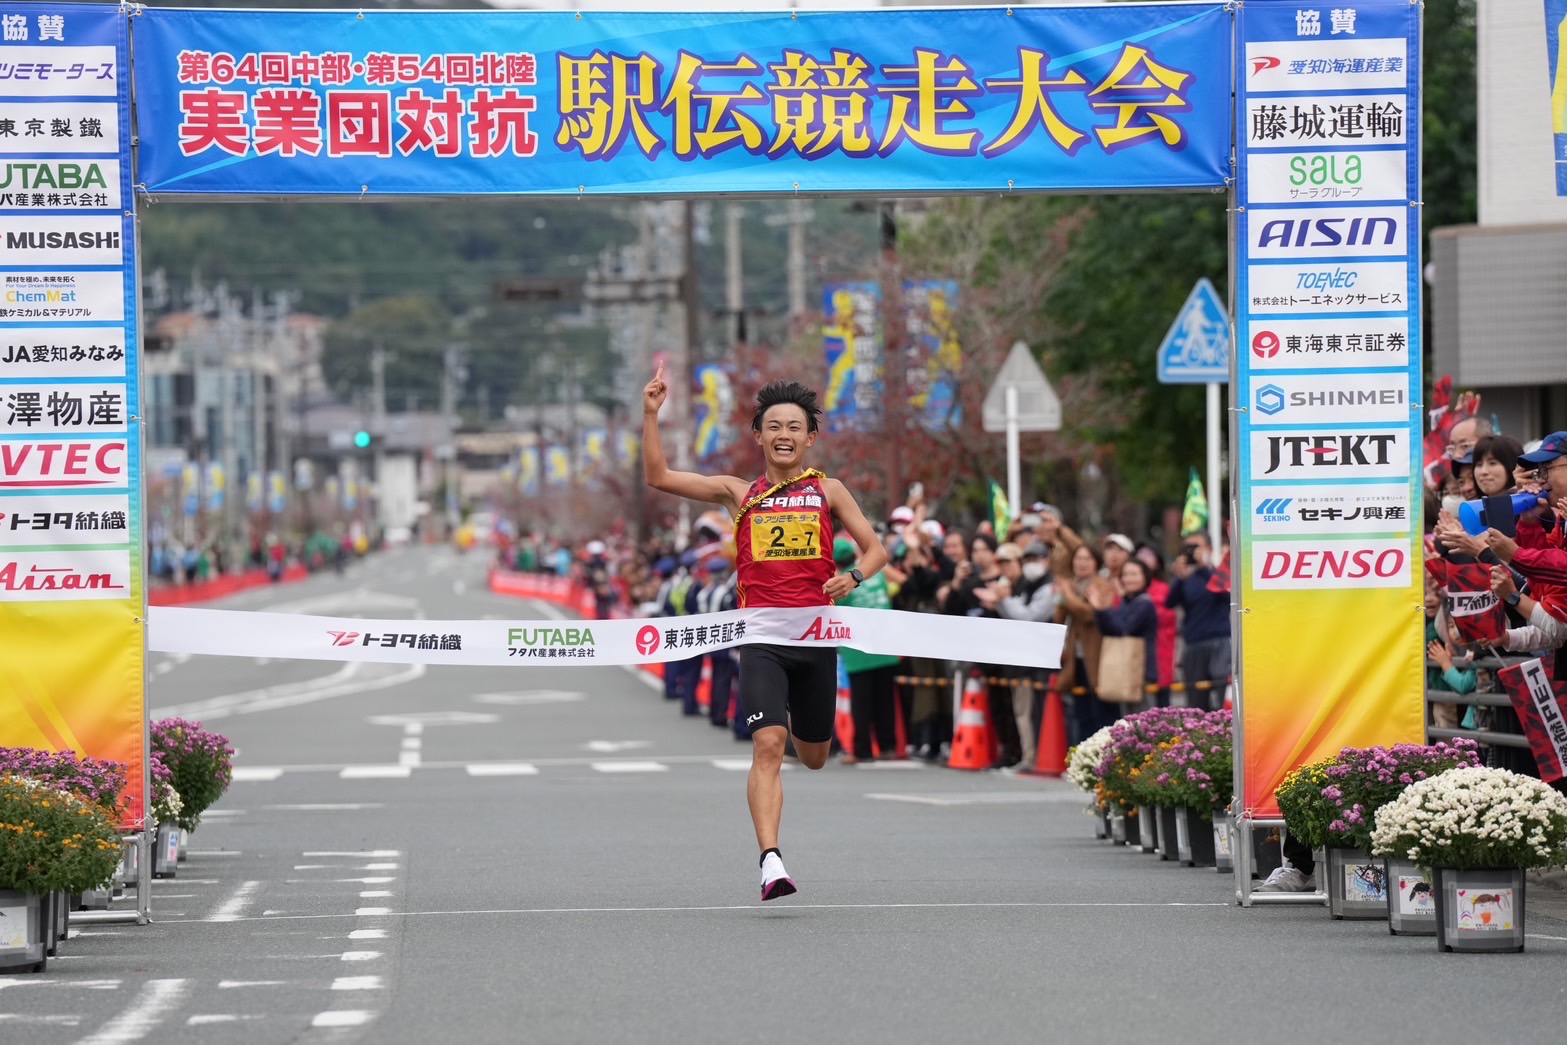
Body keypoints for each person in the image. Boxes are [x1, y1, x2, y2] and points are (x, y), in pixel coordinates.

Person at [643, 367, 886, 901]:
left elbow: (876, 549)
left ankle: (798, 718)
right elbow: (659, 476)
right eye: (773, 426)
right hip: (760, 638)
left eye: (794, 427)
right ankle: (770, 860)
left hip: (817, 639)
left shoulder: (829, 490)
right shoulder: (738, 493)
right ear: (758, 436)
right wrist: (651, 414)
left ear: (810, 438)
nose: (783, 434)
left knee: (814, 755)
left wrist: (855, 575)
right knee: (768, 745)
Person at [832, 537, 902, 763]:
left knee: (861, 704)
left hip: (858, 652)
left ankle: (863, 750)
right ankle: (889, 746)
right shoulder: (877, 575)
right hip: (885, 647)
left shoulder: (841, 584)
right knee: (885, 702)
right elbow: (899, 583)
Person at [1056, 543, 1116, 743]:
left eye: (1087, 559)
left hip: (1097, 655)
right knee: (1080, 711)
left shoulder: (1102, 585)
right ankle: (1081, 756)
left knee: (1100, 710)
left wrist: (1068, 596)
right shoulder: (1071, 585)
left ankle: (1103, 755)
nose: (1081, 563)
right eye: (1078, 559)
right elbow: (1059, 618)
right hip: (1076, 655)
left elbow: (1089, 614)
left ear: (1096, 563)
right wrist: (1061, 599)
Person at [1166, 531, 1232, 710]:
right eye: (1188, 547)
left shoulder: (1218, 573)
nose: (1192, 551)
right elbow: (1169, 602)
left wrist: (1204, 568)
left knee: (1219, 693)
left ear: (1209, 549)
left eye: (1197, 547)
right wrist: (1179, 578)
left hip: (1219, 641)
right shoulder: (1187, 578)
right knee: (1195, 700)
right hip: (1194, 643)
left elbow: (1224, 593)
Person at [1088, 558, 1160, 711]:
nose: (1129, 579)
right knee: (1128, 722)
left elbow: (1123, 630)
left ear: (1145, 577)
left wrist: (1103, 610)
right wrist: (1100, 610)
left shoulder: (1145, 604)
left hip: (1140, 670)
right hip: (1126, 669)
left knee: (1144, 721)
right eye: (1126, 575)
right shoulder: (1126, 602)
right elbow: (1108, 629)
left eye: (1134, 574)